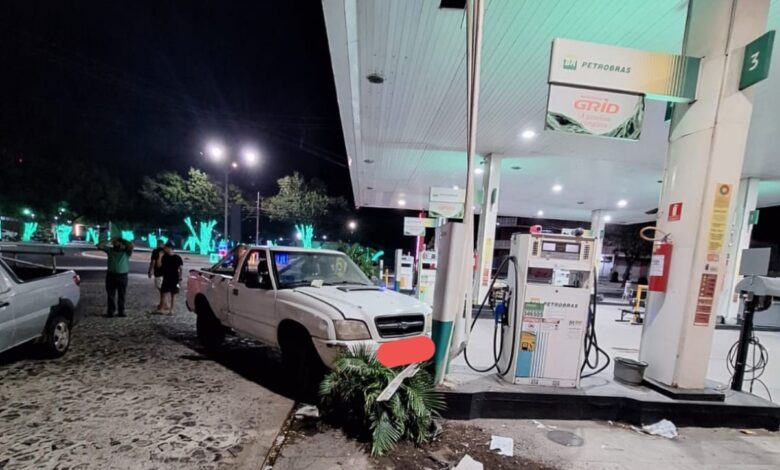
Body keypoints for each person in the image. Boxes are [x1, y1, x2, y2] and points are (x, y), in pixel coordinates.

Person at [97, 236, 134, 318]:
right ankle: (111, 311)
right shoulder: (110, 250)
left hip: (122, 275)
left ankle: (121, 311)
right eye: (113, 242)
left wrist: (123, 241)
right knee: (110, 294)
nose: (114, 244)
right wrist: (110, 240)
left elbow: (131, 245)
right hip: (111, 274)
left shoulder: (126, 251)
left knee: (122, 294)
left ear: (121, 243)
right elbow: (99, 245)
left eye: (116, 242)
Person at [156, 241, 183, 315]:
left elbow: (180, 269)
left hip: (174, 278)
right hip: (166, 278)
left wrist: (180, 279)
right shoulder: (164, 257)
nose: (164, 249)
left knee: (173, 295)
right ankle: (161, 309)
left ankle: (172, 310)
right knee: (163, 293)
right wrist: (160, 256)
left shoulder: (177, 257)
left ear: (170, 248)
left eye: (165, 248)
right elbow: (159, 266)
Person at [148, 240, 165, 311]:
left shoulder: (155, 251)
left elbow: (153, 262)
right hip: (165, 273)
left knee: (161, 289)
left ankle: (162, 304)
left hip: (159, 273)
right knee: (162, 289)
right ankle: (164, 303)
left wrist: (150, 271)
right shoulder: (165, 251)